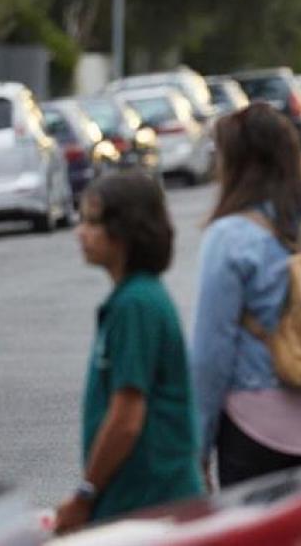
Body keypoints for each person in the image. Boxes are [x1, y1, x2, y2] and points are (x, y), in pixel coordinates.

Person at [192, 103, 301, 488]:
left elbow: (210, 354)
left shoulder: (231, 236)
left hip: (260, 424)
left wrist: (198, 448)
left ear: (234, 163)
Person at [55, 173, 202, 534]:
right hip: (137, 500)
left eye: (92, 222)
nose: (80, 232)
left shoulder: (135, 305)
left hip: (150, 502)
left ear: (123, 232)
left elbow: (127, 417)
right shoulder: (132, 298)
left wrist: (85, 494)